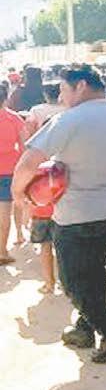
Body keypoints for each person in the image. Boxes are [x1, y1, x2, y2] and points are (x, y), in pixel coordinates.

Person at [12, 65, 106, 363]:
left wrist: (19, 195)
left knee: (72, 280)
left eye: (63, 89)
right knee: (95, 270)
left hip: (77, 214)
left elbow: (29, 162)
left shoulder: (68, 120)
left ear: (81, 85)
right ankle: (85, 329)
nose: (61, 96)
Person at [0, 81, 24, 263]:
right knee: (4, 213)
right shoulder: (14, 118)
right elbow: (24, 147)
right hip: (8, 170)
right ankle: (2, 252)